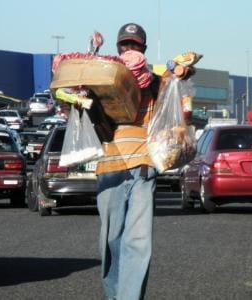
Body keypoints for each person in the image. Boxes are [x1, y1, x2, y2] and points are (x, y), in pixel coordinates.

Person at [95, 23, 193, 300]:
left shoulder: (154, 80)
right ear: (117, 49)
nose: (130, 50)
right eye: (125, 45)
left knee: (138, 242)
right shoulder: (103, 78)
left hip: (143, 167)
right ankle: (115, 295)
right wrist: (93, 52)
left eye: (135, 45)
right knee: (111, 239)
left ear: (144, 50)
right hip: (110, 167)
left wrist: (180, 70)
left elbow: (182, 73)